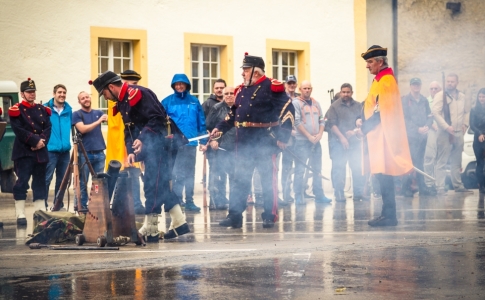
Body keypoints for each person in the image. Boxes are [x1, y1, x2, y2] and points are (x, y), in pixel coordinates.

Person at [91, 71, 189, 241]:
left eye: (104, 93)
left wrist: (142, 138)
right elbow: (128, 129)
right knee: (160, 183)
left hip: (163, 142)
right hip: (151, 144)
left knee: (152, 183)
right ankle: (179, 222)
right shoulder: (122, 101)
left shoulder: (140, 93)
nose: (105, 98)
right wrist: (130, 152)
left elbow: (157, 119)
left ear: (111, 87)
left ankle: (150, 227)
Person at [211, 53, 295, 229]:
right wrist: (219, 129)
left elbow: (288, 111)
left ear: (256, 72)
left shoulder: (272, 87)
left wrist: (283, 137)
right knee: (239, 180)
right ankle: (235, 216)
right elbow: (233, 114)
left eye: (246, 70)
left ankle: (269, 216)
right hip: (243, 143)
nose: (243, 73)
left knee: (267, 180)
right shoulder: (241, 90)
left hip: (265, 142)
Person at [355, 45, 413, 226]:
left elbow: (382, 112)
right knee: (381, 176)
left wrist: (364, 127)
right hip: (377, 136)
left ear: (380, 62)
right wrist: (360, 118)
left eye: (370, 62)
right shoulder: (379, 80)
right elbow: (371, 104)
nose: (367, 66)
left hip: (383, 137)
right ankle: (387, 214)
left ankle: (390, 216)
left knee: (384, 176)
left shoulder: (386, 81)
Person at [161, 74, 208, 212]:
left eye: (182, 84)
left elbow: (201, 122)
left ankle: (189, 200)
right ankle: (176, 200)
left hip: (191, 143)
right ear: (173, 86)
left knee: (189, 173)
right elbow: (160, 122)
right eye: (177, 84)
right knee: (175, 173)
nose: (180, 86)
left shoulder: (194, 101)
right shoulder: (167, 102)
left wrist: (203, 140)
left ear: (187, 85)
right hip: (174, 144)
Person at [9, 78, 52, 225]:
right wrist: (35, 141)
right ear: (22, 94)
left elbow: (48, 127)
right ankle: (20, 213)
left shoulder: (42, 109)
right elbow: (18, 130)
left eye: (33, 92)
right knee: (22, 183)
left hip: (40, 152)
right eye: (28, 92)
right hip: (24, 153)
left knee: (40, 182)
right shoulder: (16, 110)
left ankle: (39, 212)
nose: (32, 94)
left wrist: (42, 142)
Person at [105, 69, 145, 214]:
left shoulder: (132, 96)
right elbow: (120, 125)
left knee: (133, 174)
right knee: (119, 174)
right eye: (133, 84)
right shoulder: (116, 99)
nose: (135, 87)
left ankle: (136, 203)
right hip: (119, 143)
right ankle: (119, 206)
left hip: (129, 141)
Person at [292, 81, 331, 205]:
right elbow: (297, 122)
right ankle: (298, 195)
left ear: (311, 89)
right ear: (300, 89)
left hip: (315, 141)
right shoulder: (296, 103)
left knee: (317, 169)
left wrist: (319, 134)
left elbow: (322, 120)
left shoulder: (316, 103)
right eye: (304, 88)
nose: (307, 90)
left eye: (309, 88)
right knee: (300, 169)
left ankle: (319, 195)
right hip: (302, 142)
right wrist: (308, 136)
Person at [326, 83, 367, 202]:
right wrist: (342, 137)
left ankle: (358, 194)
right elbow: (331, 124)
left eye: (348, 92)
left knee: (357, 167)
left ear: (352, 93)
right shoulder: (334, 106)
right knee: (339, 167)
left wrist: (355, 131)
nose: (345, 94)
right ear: (340, 92)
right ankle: (339, 193)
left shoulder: (359, 106)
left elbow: (362, 122)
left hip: (354, 142)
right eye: (343, 92)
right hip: (338, 142)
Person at [432, 73, 471, 194]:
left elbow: (467, 111)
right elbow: (435, 113)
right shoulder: (440, 96)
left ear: (457, 83)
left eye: (452, 81)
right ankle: (439, 187)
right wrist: (446, 127)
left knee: (457, 161)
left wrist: (465, 124)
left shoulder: (462, 96)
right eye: (448, 81)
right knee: (442, 161)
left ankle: (458, 186)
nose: (449, 83)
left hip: (459, 132)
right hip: (444, 133)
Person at [72, 91, 108, 209]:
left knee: (99, 183)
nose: (85, 99)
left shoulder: (99, 112)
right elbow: (82, 129)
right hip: (84, 153)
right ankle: (82, 207)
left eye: (87, 97)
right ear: (79, 102)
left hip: (100, 152)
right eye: (82, 98)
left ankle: (96, 207)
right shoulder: (77, 114)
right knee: (83, 182)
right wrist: (98, 121)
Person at [400, 78, 433, 197]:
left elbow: (430, 116)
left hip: (422, 137)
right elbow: (405, 119)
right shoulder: (405, 100)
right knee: (410, 162)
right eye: (414, 84)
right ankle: (406, 188)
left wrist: (427, 126)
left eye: (418, 84)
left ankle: (422, 188)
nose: (416, 87)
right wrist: (417, 129)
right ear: (410, 86)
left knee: (420, 162)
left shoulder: (424, 100)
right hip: (411, 136)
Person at [205, 86, 236, 210]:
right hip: (220, 147)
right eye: (226, 93)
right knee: (219, 175)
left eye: (231, 93)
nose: (229, 95)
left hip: (236, 147)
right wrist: (212, 140)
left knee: (235, 176)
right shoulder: (216, 108)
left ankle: (235, 201)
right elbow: (208, 127)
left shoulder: (239, 108)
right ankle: (218, 200)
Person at [44, 84, 72, 210]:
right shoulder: (45, 108)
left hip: (65, 151)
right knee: (46, 178)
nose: (62, 95)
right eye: (59, 92)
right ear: (54, 93)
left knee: (62, 180)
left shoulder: (68, 110)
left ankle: (58, 205)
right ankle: (42, 204)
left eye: (64, 92)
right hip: (50, 150)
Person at [203, 79, 227, 209]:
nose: (219, 90)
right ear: (213, 89)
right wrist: (210, 141)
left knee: (223, 172)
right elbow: (204, 125)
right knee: (214, 171)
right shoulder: (207, 104)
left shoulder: (228, 104)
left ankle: (222, 198)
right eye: (217, 88)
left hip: (225, 145)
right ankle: (213, 199)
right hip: (212, 145)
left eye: (222, 87)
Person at [280, 75, 299, 203]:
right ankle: (285, 194)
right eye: (289, 83)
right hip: (284, 136)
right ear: (285, 84)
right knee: (286, 166)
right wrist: (287, 131)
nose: (291, 85)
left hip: (298, 137)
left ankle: (291, 193)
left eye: (293, 83)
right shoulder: (281, 98)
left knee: (293, 165)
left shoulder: (299, 98)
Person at [422, 81, 442, 195]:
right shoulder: (426, 101)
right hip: (431, 131)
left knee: (440, 160)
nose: (434, 91)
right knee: (429, 158)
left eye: (436, 89)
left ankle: (439, 185)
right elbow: (424, 116)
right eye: (432, 89)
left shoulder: (444, 101)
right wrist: (431, 125)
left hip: (442, 131)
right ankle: (429, 183)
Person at [470, 88, 485, 193]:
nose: (481, 99)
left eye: (483, 96)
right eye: (480, 97)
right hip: (478, 140)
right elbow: (472, 125)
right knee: (480, 163)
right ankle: (481, 186)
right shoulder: (474, 109)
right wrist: (479, 134)